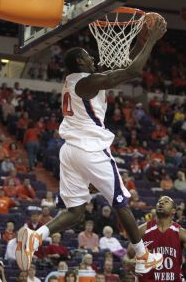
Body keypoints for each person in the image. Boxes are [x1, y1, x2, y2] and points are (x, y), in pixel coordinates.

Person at [16, 14, 167, 274]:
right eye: (87, 56)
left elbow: (123, 65)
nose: (92, 58)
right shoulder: (87, 81)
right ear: (78, 62)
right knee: (121, 202)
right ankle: (143, 255)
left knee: (75, 212)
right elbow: (132, 71)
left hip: (70, 151)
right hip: (91, 150)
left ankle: (36, 236)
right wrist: (151, 40)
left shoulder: (78, 81)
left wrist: (139, 40)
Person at [124, 196, 186, 281]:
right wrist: (128, 262)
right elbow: (127, 255)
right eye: (159, 201)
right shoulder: (142, 230)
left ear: (173, 211)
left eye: (166, 201)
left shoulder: (181, 233)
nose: (161, 203)